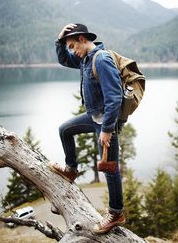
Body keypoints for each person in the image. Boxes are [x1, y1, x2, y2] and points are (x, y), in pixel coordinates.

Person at [49, 23, 126, 234]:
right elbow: (64, 59)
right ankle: (71, 170)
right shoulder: (85, 59)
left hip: (106, 123)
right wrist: (60, 39)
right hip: (94, 116)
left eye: (73, 45)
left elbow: (114, 97)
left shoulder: (101, 59)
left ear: (83, 39)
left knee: (110, 168)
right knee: (65, 130)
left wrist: (107, 129)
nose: (72, 50)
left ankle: (116, 213)